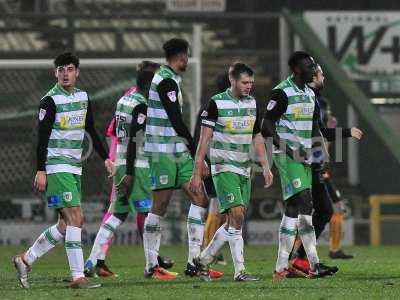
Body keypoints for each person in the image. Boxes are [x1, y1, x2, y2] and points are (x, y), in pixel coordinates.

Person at [13, 52, 114, 289]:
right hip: (56, 166)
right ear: (55, 73)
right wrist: (41, 170)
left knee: (64, 224)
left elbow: (91, 129)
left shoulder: (83, 97)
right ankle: (78, 276)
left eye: (69, 69)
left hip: (74, 167)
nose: (65, 74)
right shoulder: (49, 101)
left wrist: (106, 158)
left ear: (77, 72)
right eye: (61, 70)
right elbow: (42, 138)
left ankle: (25, 259)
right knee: (76, 218)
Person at [84, 62, 174, 278]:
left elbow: (115, 130)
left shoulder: (124, 100)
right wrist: (132, 173)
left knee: (116, 216)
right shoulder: (142, 105)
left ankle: (91, 261)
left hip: (120, 161)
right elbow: (135, 140)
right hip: (137, 166)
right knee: (150, 215)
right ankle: (152, 268)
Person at [143, 38, 222, 280]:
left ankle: (194, 262)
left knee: (199, 197)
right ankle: (151, 266)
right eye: (187, 55)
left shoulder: (172, 79)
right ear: (183, 56)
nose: (188, 60)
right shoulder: (165, 80)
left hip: (178, 151)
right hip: (162, 151)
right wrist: (195, 148)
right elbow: (175, 119)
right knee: (160, 206)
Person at [190, 62, 273, 281]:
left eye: (251, 83)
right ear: (232, 81)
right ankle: (240, 271)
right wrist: (197, 172)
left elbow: (256, 137)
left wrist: (265, 166)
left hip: (244, 168)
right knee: (236, 215)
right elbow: (203, 140)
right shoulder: (216, 103)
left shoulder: (252, 103)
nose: (249, 86)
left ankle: (203, 260)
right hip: (223, 167)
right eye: (245, 82)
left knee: (234, 221)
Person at [261, 51, 338, 279]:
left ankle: (280, 268)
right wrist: (290, 150)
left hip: (304, 157)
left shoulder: (310, 94)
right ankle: (313, 264)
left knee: (293, 210)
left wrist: (318, 152)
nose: (313, 70)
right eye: (308, 67)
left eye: (314, 66)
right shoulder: (281, 92)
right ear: (296, 70)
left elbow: (315, 128)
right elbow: (266, 125)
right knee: (306, 203)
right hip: (287, 156)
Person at [290, 65, 363, 274]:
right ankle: (294, 261)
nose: (324, 77)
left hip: (314, 163)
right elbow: (320, 132)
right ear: (313, 78)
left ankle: (300, 259)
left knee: (323, 210)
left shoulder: (316, 100)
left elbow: (321, 133)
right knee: (305, 211)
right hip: (301, 163)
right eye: (321, 74)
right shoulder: (307, 99)